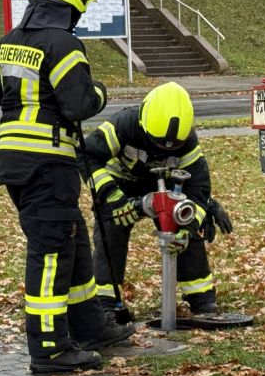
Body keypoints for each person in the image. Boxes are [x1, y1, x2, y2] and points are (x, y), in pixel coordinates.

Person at [0, 0, 134, 373]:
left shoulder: (10, 40)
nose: (79, 18)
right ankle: (49, 349)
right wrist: (100, 91)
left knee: (72, 242)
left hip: (17, 164)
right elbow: (80, 103)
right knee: (50, 253)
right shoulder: (64, 44)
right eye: (79, 9)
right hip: (49, 163)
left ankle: (88, 326)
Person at [83, 82, 232, 316]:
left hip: (162, 185)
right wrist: (112, 198)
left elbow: (198, 186)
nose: (161, 151)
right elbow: (88, 157)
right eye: (156, 144)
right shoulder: (123, 125)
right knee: (110, 231)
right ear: (143, 123)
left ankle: (202, 300)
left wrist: (192, 222)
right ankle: (106, 304)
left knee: (184, 225)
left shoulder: (188, 143)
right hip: (117, 184)